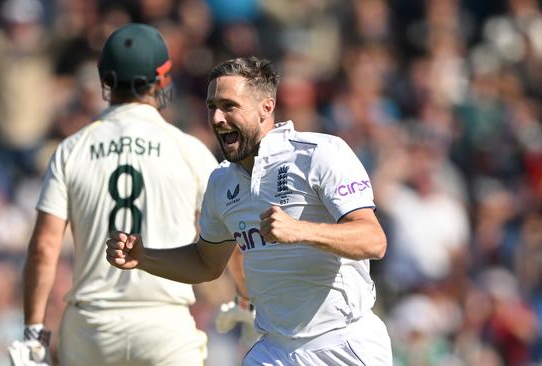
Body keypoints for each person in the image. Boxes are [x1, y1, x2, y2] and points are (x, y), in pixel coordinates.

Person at [106, 56, 393, 365]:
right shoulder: (220, 182)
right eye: (211, 107)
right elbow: (206, 263)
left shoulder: (319, 154)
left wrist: (300, 230)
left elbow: (373, 240)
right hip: (274, 350)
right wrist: (143, 257)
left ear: (266, 108)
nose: (217, 118)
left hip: (342, 342)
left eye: (229, 106)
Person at [12, 23, 218, 366]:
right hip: (164, 324)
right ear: (162, 78)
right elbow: (229, 230)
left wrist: (34, 330)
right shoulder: (188, 149)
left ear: (104, 79)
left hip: (92, 325)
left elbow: (44, 247)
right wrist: (246, 299)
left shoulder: (71, 149)